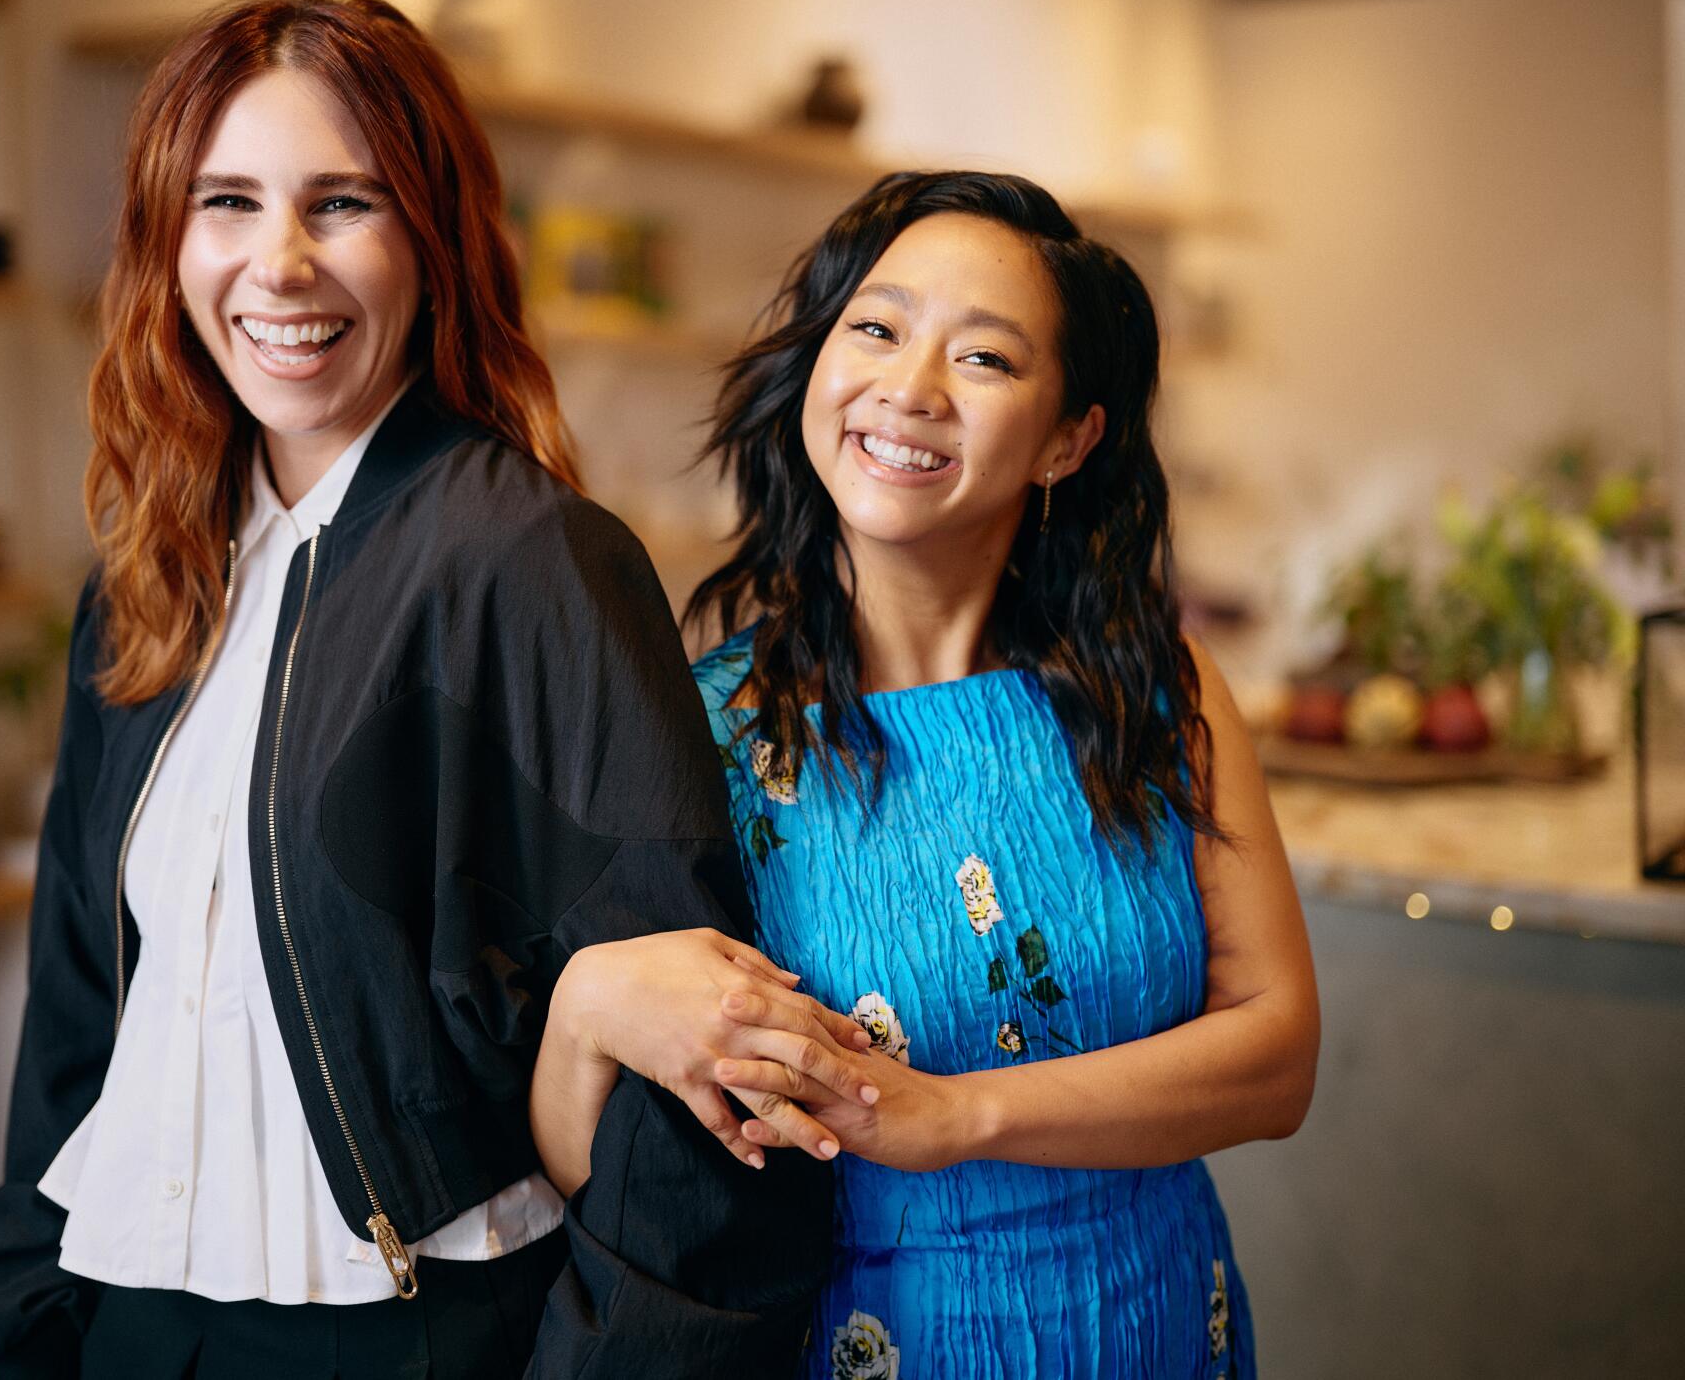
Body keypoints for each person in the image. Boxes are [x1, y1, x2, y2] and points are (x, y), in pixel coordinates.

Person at [0, 0, 842, 1380]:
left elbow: (696, 1093)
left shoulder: (532, 567)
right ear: (168, 241)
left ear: (434, 239)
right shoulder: (149, 574)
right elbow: (85, 1018)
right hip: (131, 1322)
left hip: (403, 1336)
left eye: (343, 202)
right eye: (227, 200)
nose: (278, 266)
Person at [532, 171, 1320, 1378]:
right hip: (870, 1338)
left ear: (1069, 439)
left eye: (986, 360)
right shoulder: (713, 734)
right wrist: (586, 1006)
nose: (908, 391)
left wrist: (960, 1116)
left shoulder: (1161, 695)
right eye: (877, 328)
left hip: (1159, 1322)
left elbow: (1275, 1059)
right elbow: (615, 1174)